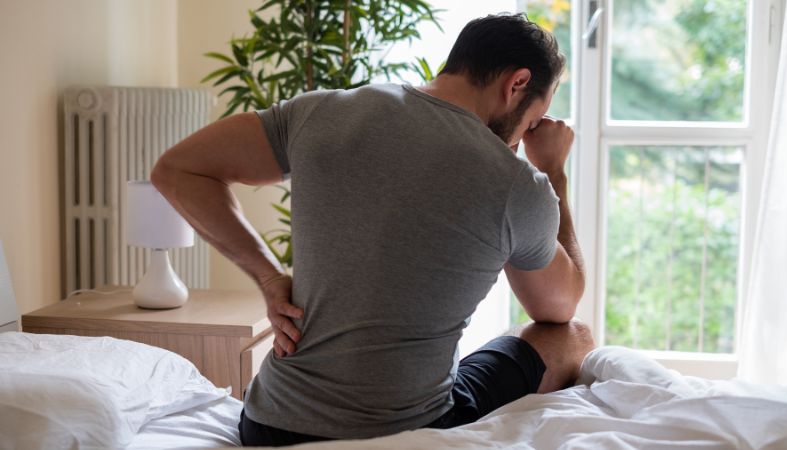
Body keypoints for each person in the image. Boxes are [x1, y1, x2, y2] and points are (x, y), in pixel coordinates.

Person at [151, 13, 594, 447]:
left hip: (269, 428)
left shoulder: (321, 111)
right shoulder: (517, 183)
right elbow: (558, 307)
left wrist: (268, 277)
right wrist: (553, 172)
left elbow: (177, 170)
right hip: (409, 431)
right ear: (517, 84)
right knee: (572, 336)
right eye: (532, 121)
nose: (520, 139)